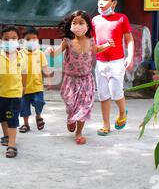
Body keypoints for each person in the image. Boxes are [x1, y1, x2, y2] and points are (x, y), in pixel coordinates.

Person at [46, 11, 114, 144]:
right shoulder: (68, 41)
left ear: (88, 26)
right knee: (71, 105)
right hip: (70, 80)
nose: (78, 26)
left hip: (86, 79)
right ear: (70, 26)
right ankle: (71, 116)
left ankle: (79, 133)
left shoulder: (91, 41)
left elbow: (96, 50)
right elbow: (56, 54)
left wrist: (107, 45)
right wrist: (51, 51)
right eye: (74, 23)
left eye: (81, 23)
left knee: (84, 108)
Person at [92, 0, 134, 136]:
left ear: (114, 3)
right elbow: (92, 43)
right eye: (99, 0)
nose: (101, 3)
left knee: (116, 93)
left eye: (105, 0)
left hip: (116, 63)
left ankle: (122, 112)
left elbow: (129, 39)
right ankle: (105, 125)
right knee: (103, 95)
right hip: (100, 63)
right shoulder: (94, 20)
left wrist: (130, 57)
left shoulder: (122, 18)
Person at [0, 25, 27, 158]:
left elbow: (24, 73)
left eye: (14, 38)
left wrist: (24, 88)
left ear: (18, 40)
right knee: (3, 117)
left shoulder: (22, 56)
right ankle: (6, 135)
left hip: (14, 94)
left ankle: (12, 145)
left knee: (12, 118)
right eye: (6, 39)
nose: (10, 41)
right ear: (1, 41)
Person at [18, 27, 51, 133]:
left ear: (37, 40)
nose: (31, 41)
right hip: (22, 88)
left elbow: (45, 67)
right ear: (23, 41)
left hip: (37, 86)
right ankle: (26, 125)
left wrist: (49, 80)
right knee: (24, 107)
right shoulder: (19, 54)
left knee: (39, 102)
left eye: (34, 38)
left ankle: (38, 116)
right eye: (28, 39)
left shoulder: (40, 54)